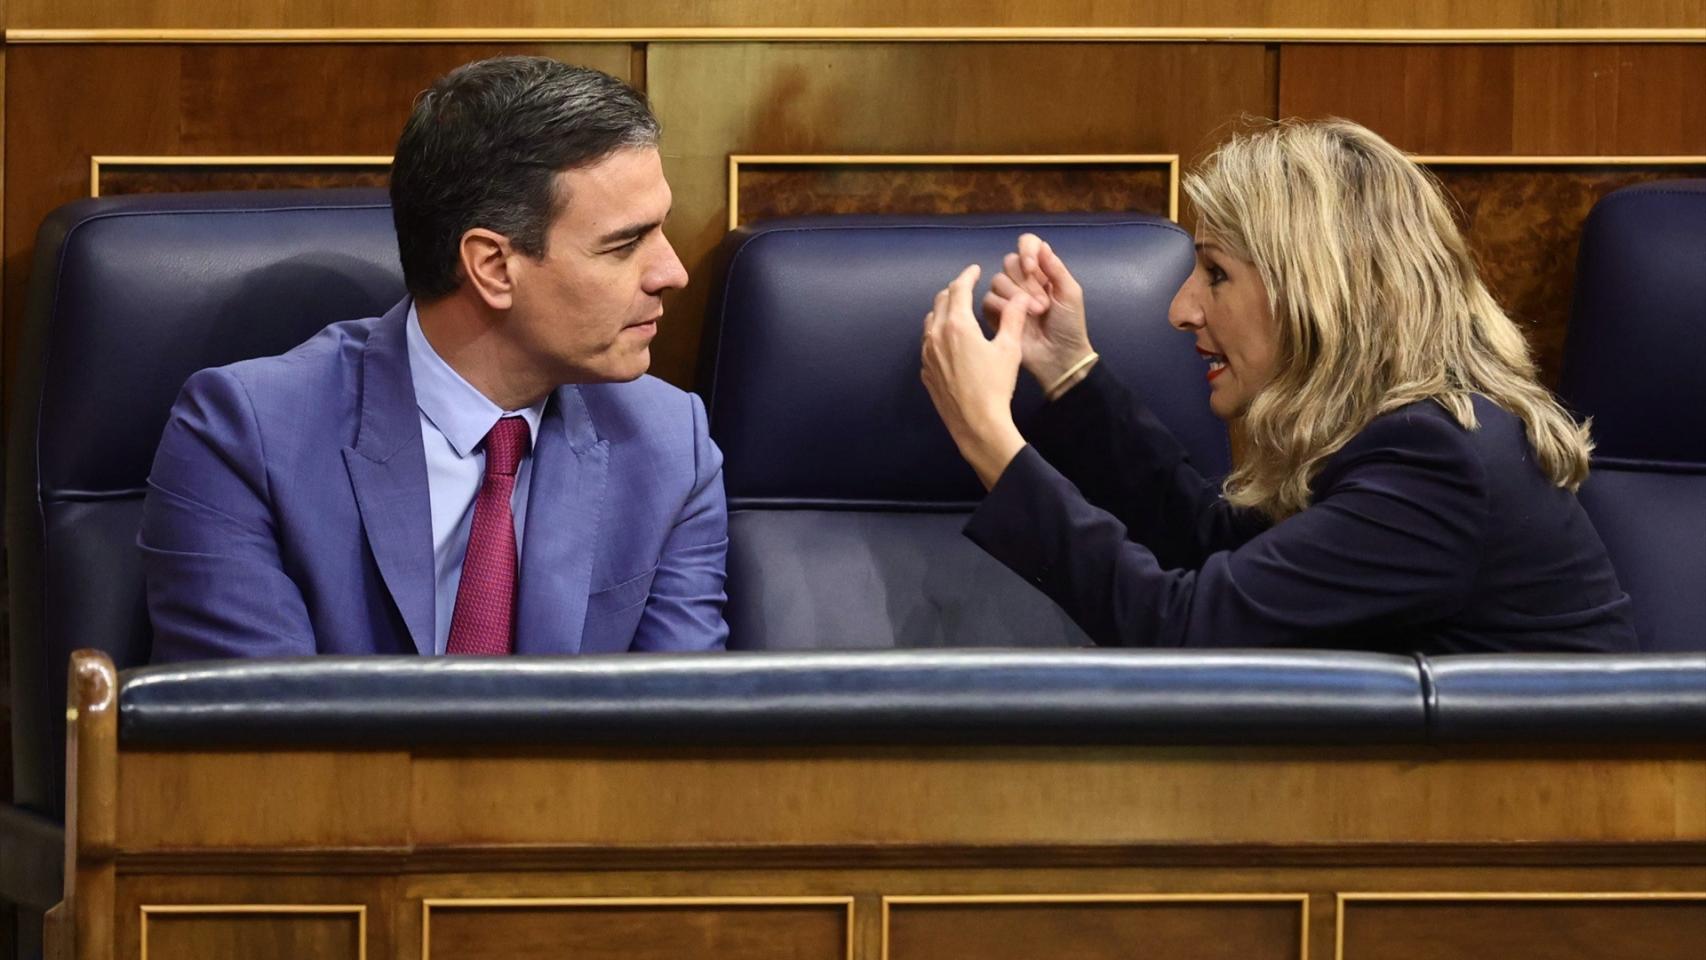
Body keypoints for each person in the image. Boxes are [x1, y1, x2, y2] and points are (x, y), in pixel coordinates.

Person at [919, 118, 1636, 654]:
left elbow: (1189, 638)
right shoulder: (1412, 435)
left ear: (1318, 292)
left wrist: (991, 441)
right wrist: (1068, 371)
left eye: (1217, 274)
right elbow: (1212, 547)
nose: (1181, 309)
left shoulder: (1437, 463)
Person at [142, 56, 728, 660]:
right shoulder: (245, 439)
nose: (673, 273)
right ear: (493, 267)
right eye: (626, 244)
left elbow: (685, 735)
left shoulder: (668, 446)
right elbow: (256, 738)